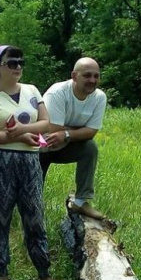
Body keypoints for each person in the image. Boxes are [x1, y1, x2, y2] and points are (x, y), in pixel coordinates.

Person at [0, 45, 64, 280]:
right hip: (0, 161)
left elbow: (46, 123)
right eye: (11, 63)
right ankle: (2, 276)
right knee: (0, 218)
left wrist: (24, 133)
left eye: (20, 62)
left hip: (29, 161)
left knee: (35, 217)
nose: (17, 67)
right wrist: (12, 135)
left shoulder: (32, 90)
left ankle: (44, 273)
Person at [41, 58, 107, 219]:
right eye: (87, 75)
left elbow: (91, 132)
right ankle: (31, 208)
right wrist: (79, 130)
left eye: (96, 76)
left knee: (90, 147)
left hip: (67, 146)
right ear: (74, 75)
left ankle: (81, 202)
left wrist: (66, 133)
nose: (92, 80)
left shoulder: (99, 97)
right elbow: (52, 130)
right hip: (41, 146)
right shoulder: (57, 93)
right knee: (33, 191)